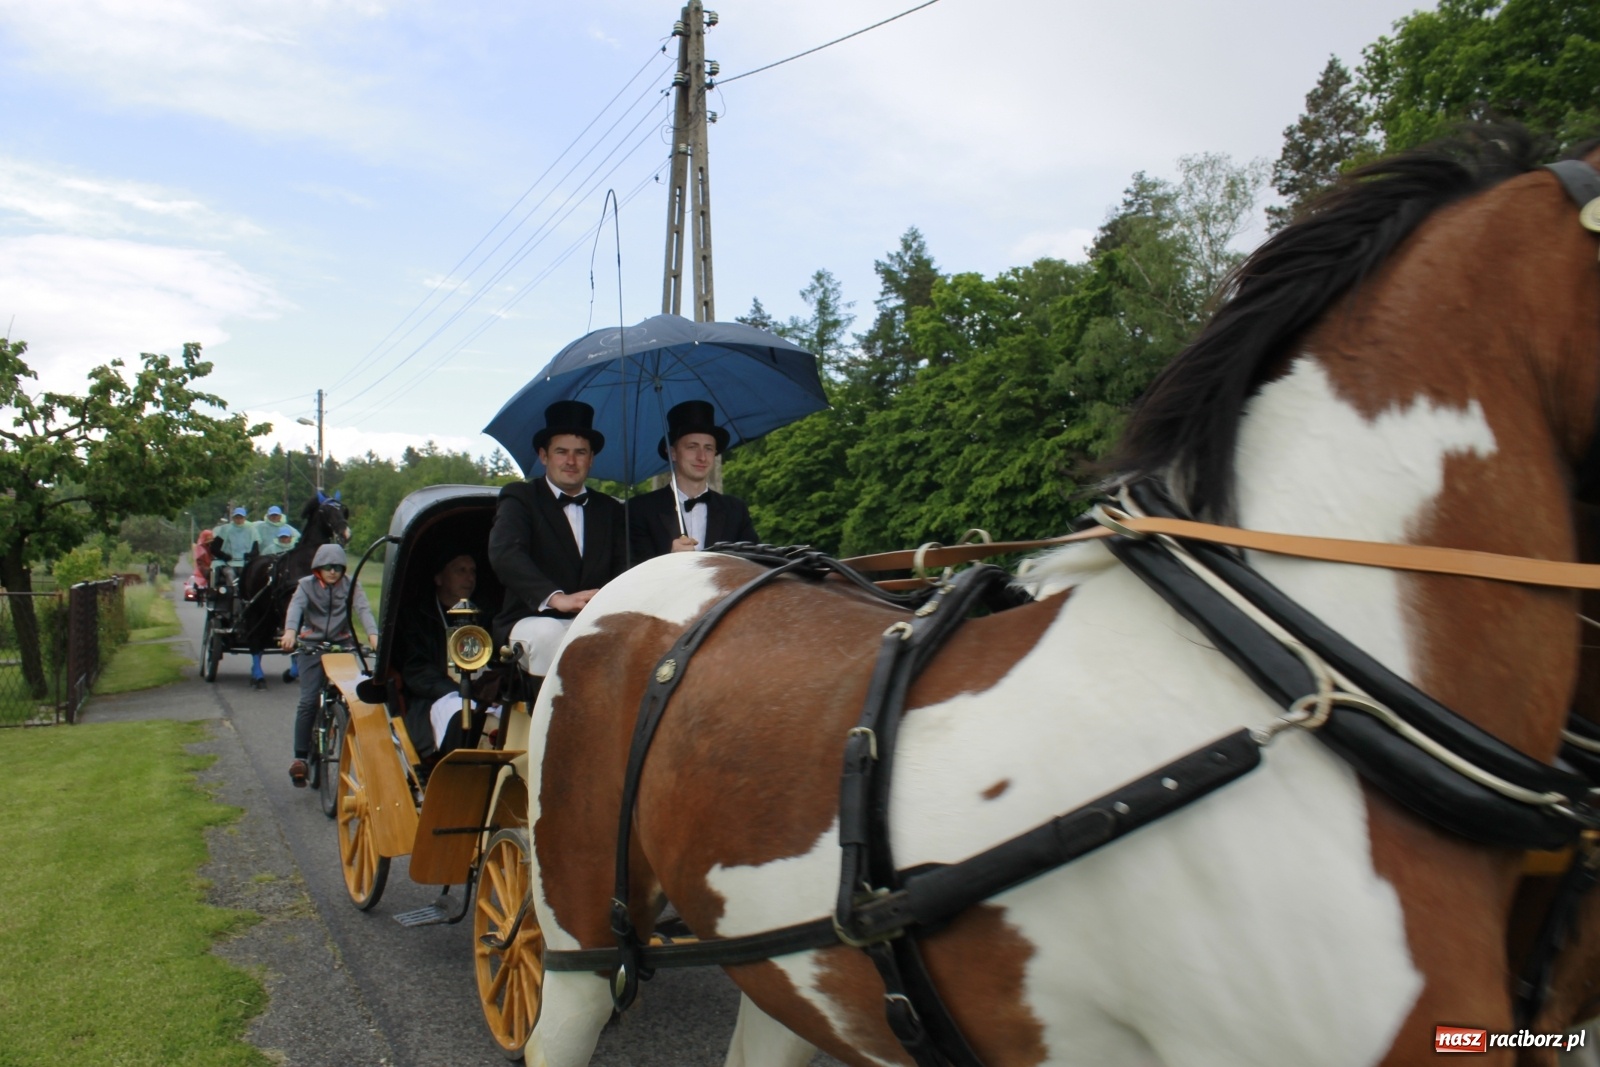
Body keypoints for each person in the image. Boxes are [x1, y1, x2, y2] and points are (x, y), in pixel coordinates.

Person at [488, 400, 627, 679]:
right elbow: (505, 554)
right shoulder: (520, 497)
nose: (571, 461)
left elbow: (625, 566)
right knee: (549, 633)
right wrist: (556, 598)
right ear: (544, 456)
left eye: (580, 453)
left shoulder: (611, 509)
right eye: (561, 452)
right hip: (531, 620)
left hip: (593, 620)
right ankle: (552, 722)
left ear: (591, 459)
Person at [278, 543, 378, 787]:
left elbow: (363, 610)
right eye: (327, 567)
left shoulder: (350, 585)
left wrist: (374, 637)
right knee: (308, 700)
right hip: (311, 647)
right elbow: (296, 608)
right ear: (317, 569)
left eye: (338, 567)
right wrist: (290, 632)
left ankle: (338, 723)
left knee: (351, 698)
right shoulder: (306, 585)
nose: (333, 572)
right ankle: (300, 757)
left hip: (341, 645)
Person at [629, 399, 758, 562]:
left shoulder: (735, 510)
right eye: (692, 447)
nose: (702, 457)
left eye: (708, 448)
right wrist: (668, 559)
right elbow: (632, 573)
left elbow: (754, 565)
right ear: (672, 453)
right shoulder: (640, 510)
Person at [399, 551, 494, 759]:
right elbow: (417, 671)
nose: (469, 578)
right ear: (439, 578)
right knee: (461, 712)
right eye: (461, 570)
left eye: (473, 571)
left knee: (510, 718)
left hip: (481, 694)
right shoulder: (416, 616)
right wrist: (461, 690)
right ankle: (452, 779)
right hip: (434, 698)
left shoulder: (484, 615)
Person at [209, 507, 262, 603]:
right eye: (236, 517)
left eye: (240, 517)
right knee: (230, 575)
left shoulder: (252, 530)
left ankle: (246, 598)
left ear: (244, 518)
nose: (239, 519)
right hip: (228, 563)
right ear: (233, 518)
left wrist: (249, 555)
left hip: (244, 564)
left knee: (246, 577)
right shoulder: (226, 529)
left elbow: (256, 550)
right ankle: (231, 596)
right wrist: (224, 556)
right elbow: (214, 548)